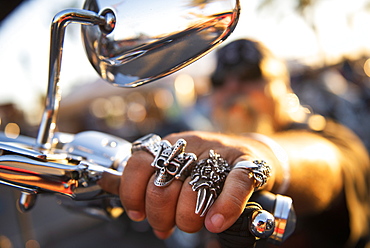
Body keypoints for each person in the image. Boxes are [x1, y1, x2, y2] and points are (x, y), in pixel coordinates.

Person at [99, 39, 370, 248]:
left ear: (285, 87)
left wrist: (259, 157)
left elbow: (330, 164)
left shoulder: (331, 137)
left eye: (251, 75)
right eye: (219, 81)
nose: (232, 89)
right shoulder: (207, 144)